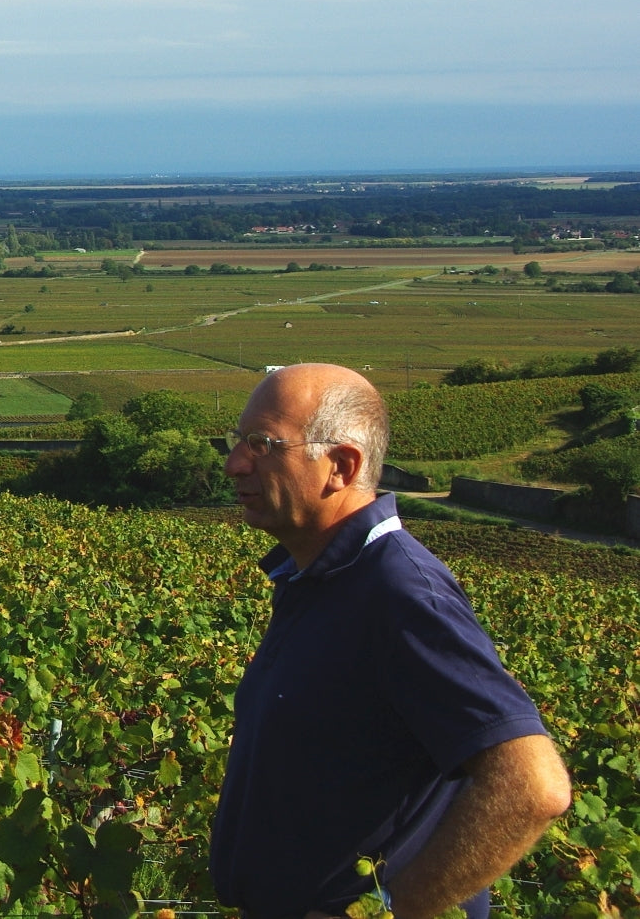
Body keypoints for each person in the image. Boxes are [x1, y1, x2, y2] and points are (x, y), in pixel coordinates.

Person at [209, 363, 571, 919]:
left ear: (341, 466)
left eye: (262, 445)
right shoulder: (320, 576)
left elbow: (533, 787)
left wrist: (390, 911)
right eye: (238, 441)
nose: (234, 463)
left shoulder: (400, 593)